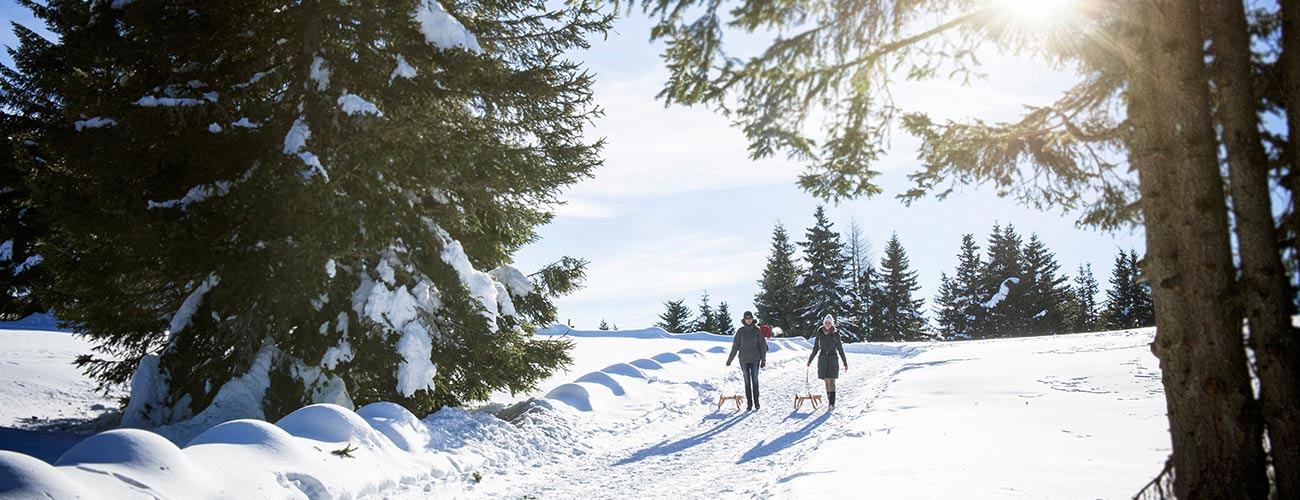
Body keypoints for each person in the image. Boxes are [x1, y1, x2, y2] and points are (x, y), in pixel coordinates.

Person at [726, 311, 769, 411]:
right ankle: (749, 403)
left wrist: (763, 359)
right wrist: (730, 359)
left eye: (750, 318)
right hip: (743, 360)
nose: (748, 320)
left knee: (755, 380)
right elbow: (735, 346)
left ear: (752, 319)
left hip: (755, 359)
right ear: (744, 319)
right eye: (746, 318)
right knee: (746, 381)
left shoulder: (757, 331)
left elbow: (762, 346)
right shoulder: (740, 331)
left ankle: (757, 402)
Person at [807, 314, 848, 409]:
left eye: (829, 323)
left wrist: (844, 362)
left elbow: (840, 348)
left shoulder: (835, 334)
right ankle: (830, 400)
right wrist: (810, 360)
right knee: (826, 381)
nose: (827, 324)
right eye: (826, 322)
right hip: (822, 359)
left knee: (832, 380)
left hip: (833, 358)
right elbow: (816, 347)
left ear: (832, 324)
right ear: (824, 323)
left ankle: (832, 403)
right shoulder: (819, 333)